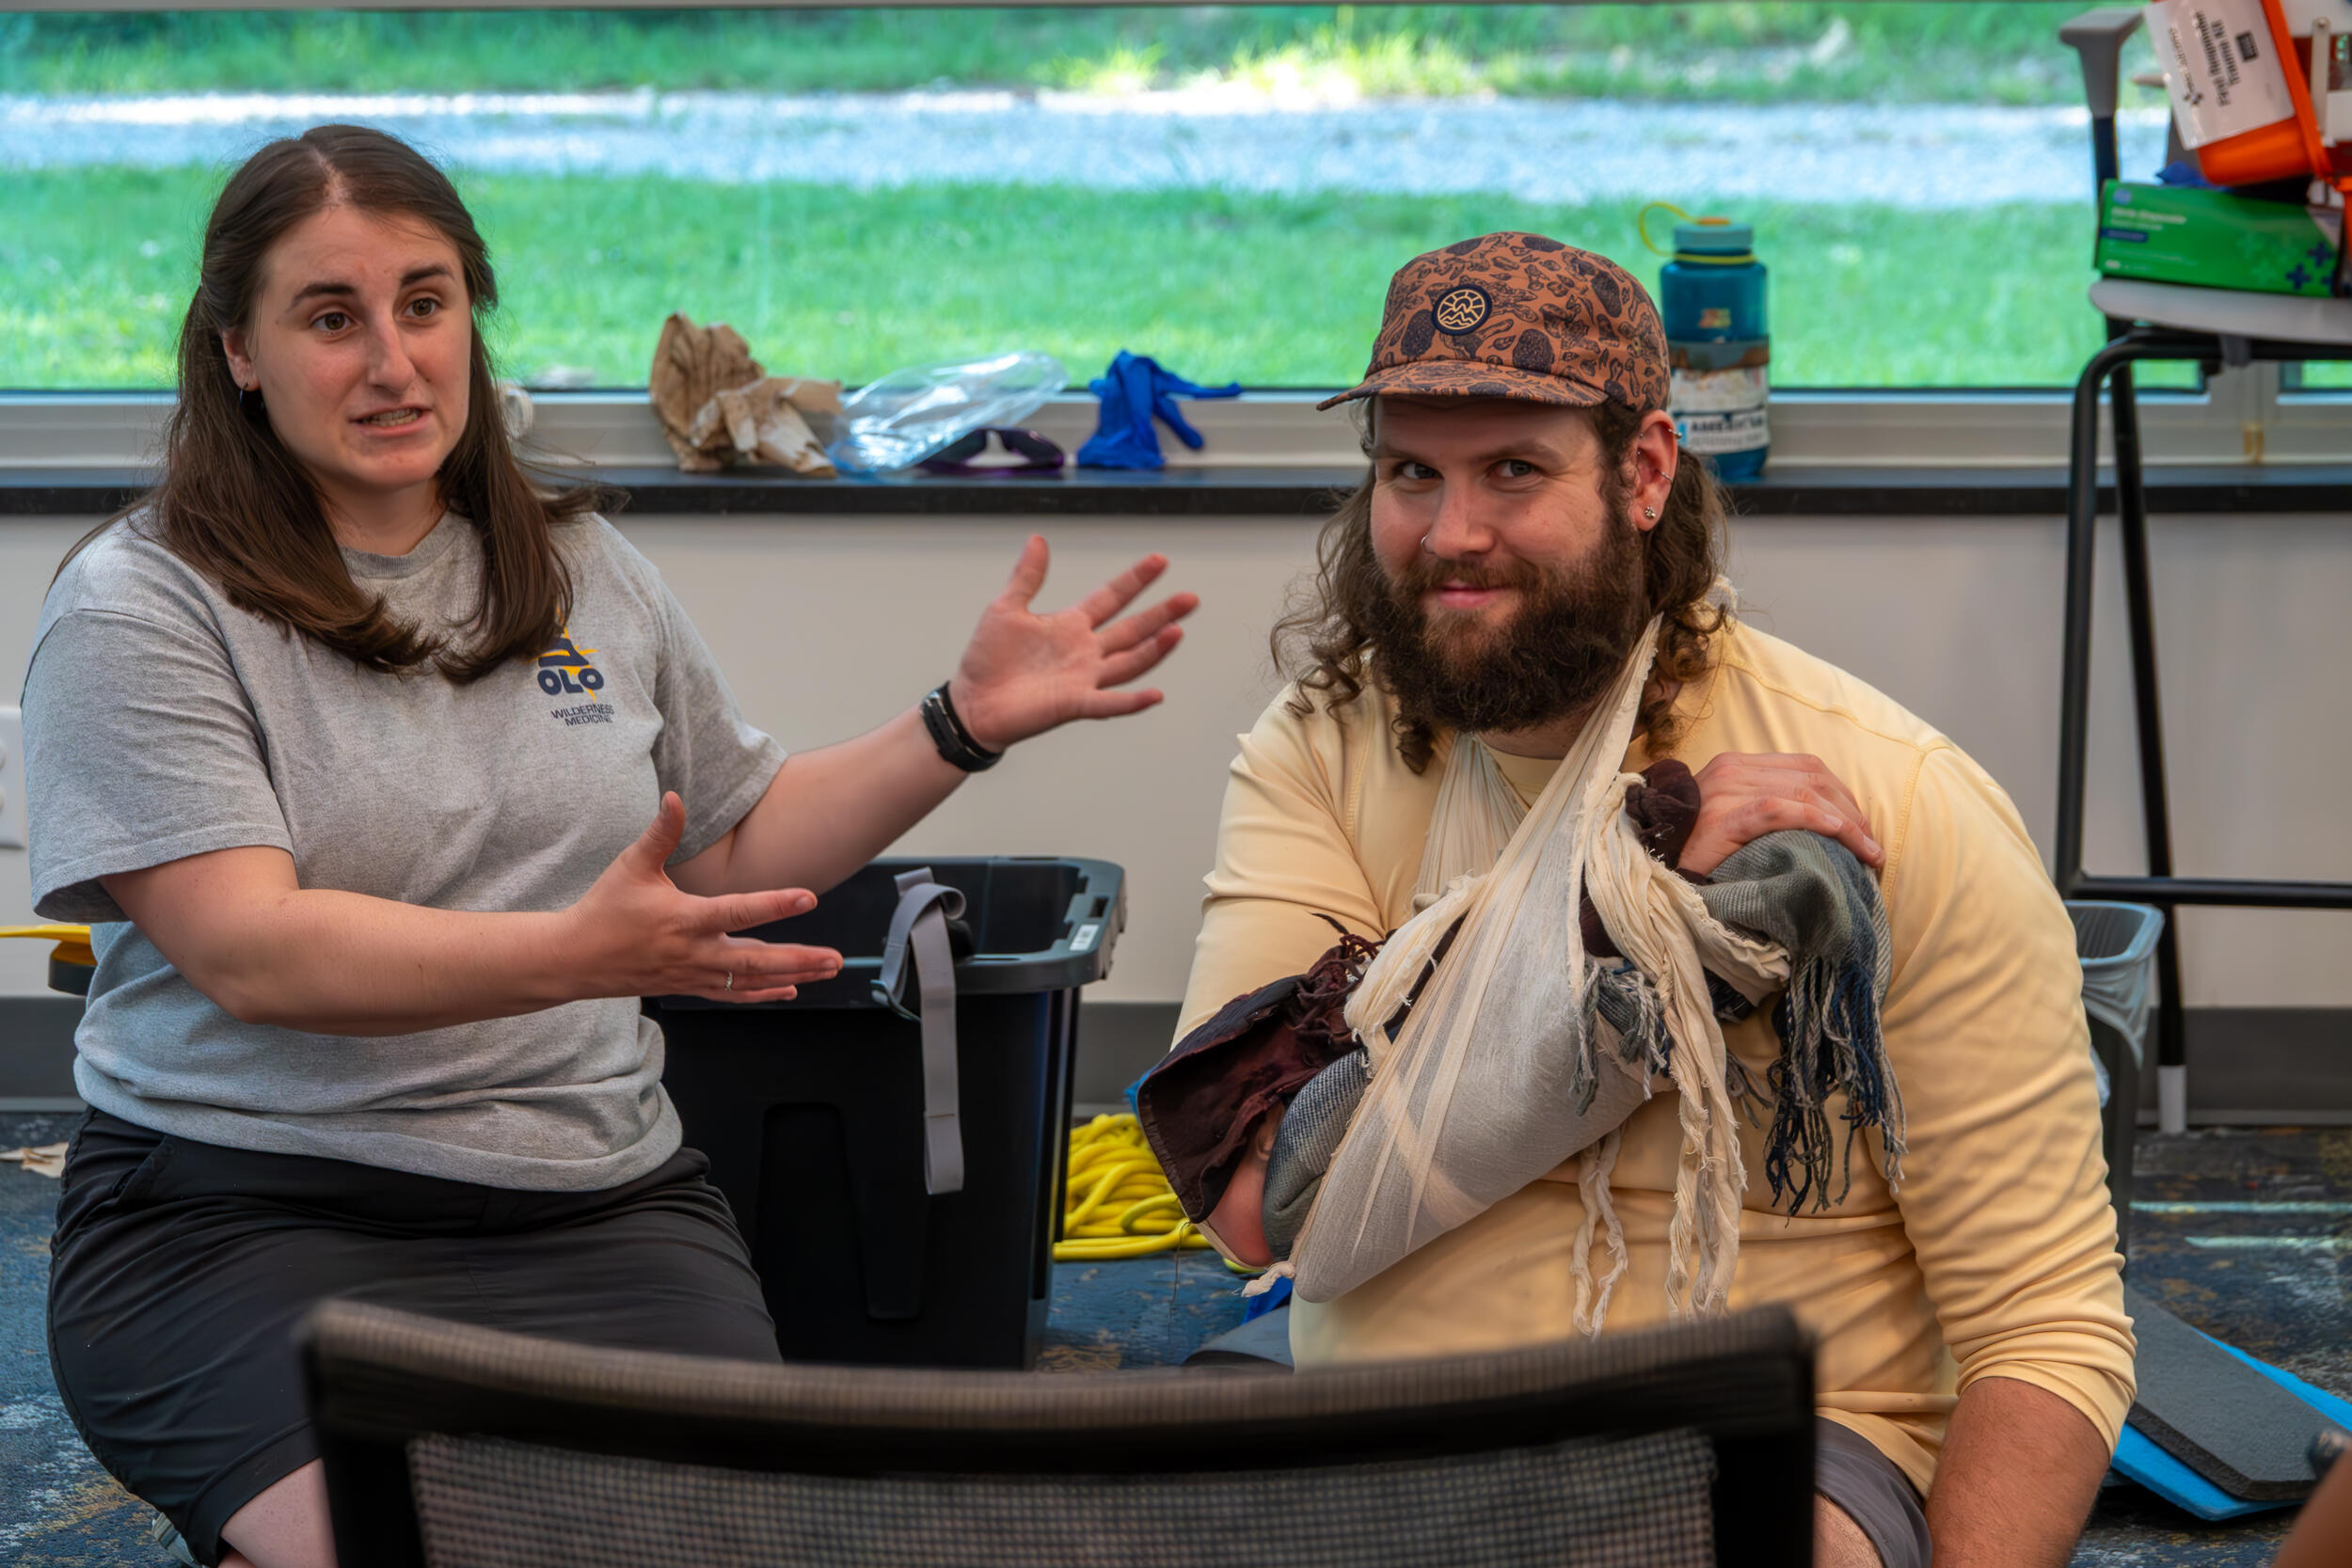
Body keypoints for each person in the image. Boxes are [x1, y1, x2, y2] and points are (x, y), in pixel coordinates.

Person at [22, 124, 1195, 1568]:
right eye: (332, 317)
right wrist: (572, 955)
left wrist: (961, 723)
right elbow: (251, 952)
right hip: (248, 1210)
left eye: (427, 301)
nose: (393, 360)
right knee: (423, 1543)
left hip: (589, 1202)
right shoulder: (143, 608)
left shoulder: (581, 564)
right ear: (239, 351)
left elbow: (729, 841)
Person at [1168, 233, 2133, 1568]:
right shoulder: (1323, 747)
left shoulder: (1890, 798)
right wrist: (1620, 889)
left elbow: (2045, 1323)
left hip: (1760, 1446)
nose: (1453, 534)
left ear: (1647, 472)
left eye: (1514, 470)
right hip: (1386, 1428)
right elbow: (1250, 1188)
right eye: (1411, 474)